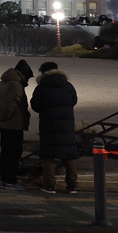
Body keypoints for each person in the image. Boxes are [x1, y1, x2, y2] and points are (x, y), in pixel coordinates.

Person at [30, 61, 80, 194]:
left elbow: (36, 106)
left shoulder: (41, 87)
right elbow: (74, 101)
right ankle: (72, 186)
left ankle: (50, 185)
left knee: (48, 155)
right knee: (69, 155)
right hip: (67, 125)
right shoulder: (68, 86)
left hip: (49, 125)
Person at [0, 59, 34, 190]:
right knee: (14, 153)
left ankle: (4, 178)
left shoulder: (2, 82)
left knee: (5, 152)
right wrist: (4, 116)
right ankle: (10, 180)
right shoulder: (17, 85)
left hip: (3, 125)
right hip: (14, 124)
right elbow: (10, 104)